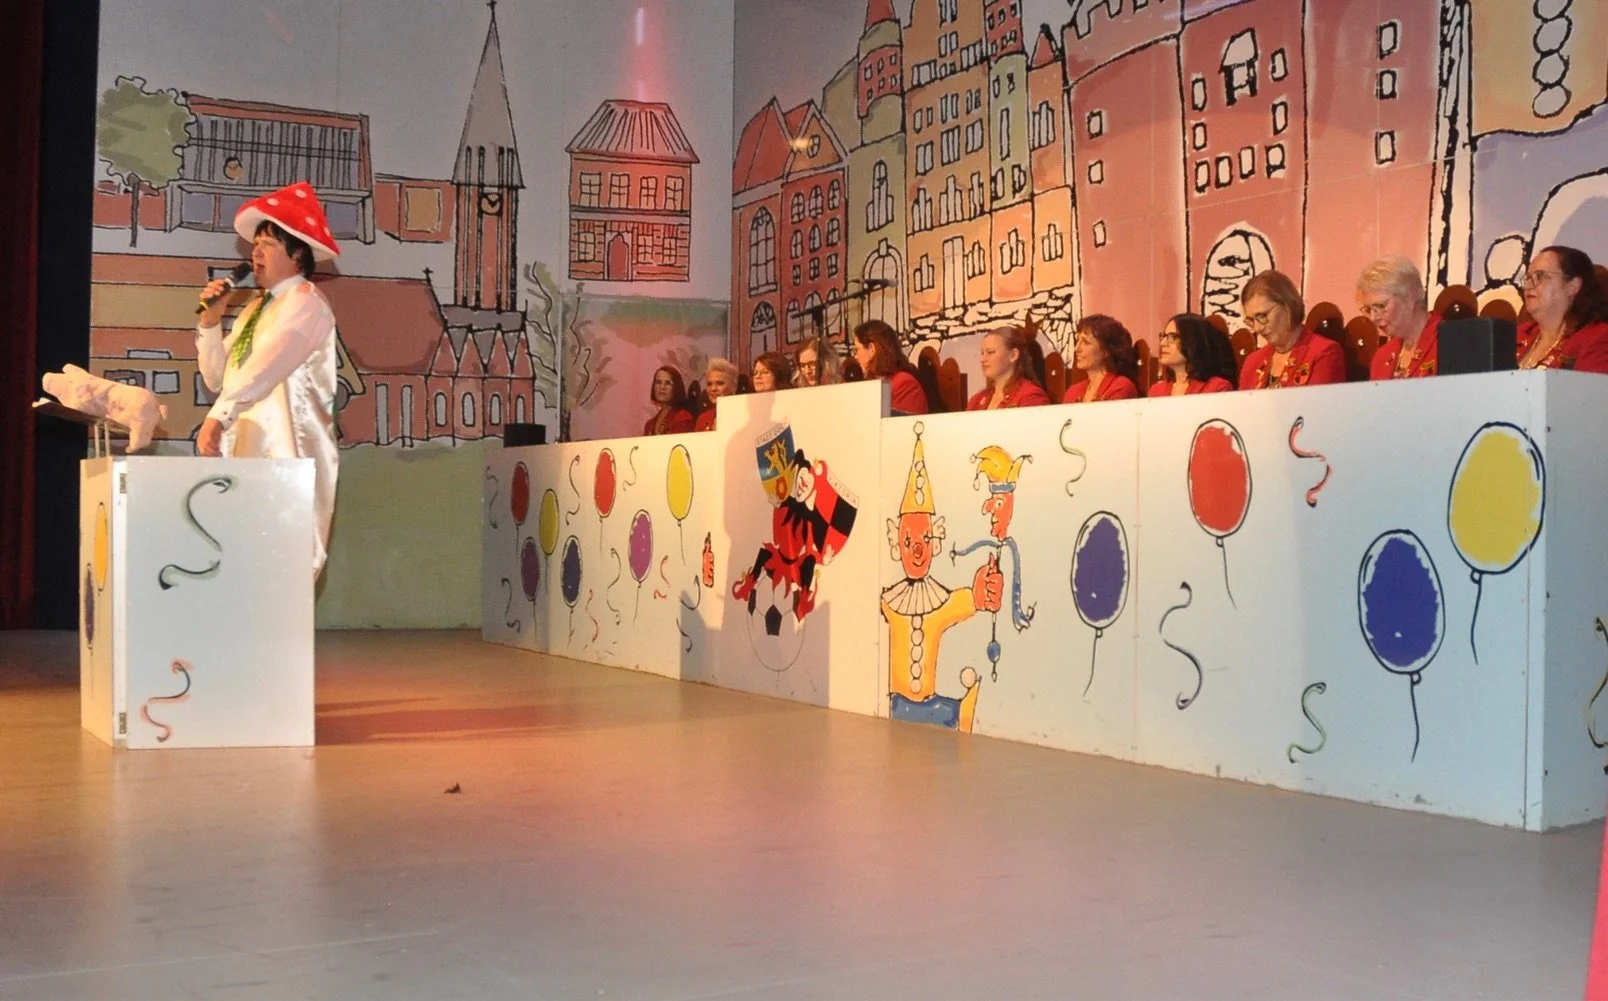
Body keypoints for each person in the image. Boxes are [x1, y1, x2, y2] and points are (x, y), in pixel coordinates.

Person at [195, 181, 340, 575]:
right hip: (246, 454)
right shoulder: (254, 310)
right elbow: (217, 378)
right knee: (244, 567)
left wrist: (218, 416)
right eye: (255, 244)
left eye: (268, 244)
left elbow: (265, 368)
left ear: (297, 254)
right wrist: (210, 322)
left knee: (281, 568)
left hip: (286, 457)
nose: (255, 253)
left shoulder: (306, 303)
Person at [1237, 269, 1347, 389]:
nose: (1257, 328)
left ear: (1287, 305)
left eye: (1263, 316)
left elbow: (1319, 401)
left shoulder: (1323, 353)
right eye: (1251, 321)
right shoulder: (1252, 362)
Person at [1514, 245, 1608, 372]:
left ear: (1573, 286)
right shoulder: (1516, 335)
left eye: (1540, 276)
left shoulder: (1598, 339)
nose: (1528, 286)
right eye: (1528, 278)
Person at [1359, 256, 1440, 380]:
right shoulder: (1382, 357)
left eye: (1380, 306)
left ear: (1410, 297)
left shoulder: (1446, 342)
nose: (1373, 318)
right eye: (1368, 309)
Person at [853, 320, 933, 414]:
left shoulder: (905, 385)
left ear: (871, 349)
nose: (855, 357)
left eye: (857, 350)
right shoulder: (870, 384)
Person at [1148, 313, 1237, 396]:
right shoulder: (1156, 391)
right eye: (1164, 336)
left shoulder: (1217, 388)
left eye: (1173, 337)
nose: (1163, 343)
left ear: (1193, 342)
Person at [966, 325, 1051, 410]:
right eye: (982, 353)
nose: (982, 359)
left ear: (1013, 355)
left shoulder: (1031, 396)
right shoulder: (976, 400)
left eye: (990, 352)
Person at [1063, 314, 1140, 402]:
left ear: (1106, 351)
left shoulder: (1120, 387)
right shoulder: (1073, 392)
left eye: (1086, 342)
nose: (1077, 348)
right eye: (1077, 340)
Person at [642, 365, 694, 435]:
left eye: (668, 383)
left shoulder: (683, 418)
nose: (662, 387)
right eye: (658, 382)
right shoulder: (649, 425)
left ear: (676, 387)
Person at [693, 358, 739, 432]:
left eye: (720, 383)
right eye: (709, 384)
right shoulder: (703, 419)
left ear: (734, 387)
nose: (713, 388)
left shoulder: (743, 415)